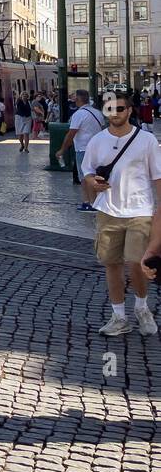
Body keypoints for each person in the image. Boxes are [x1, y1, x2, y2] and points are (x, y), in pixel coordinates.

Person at [83, 92, 161, 337]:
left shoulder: (147, 140)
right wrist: (92, 183)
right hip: (108, 211)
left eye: (120, 108)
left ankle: (141, 307)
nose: (115, 113)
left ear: (129, 111)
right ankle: (119, 316)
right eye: (109, 108)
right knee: (112, 264)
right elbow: (87, 172)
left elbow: (158, 177)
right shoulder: (97, 141)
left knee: (136, 263)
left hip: (140, 211)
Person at [57, 89, 106, 207]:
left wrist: (62, 150)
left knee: (85, 178)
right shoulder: (97, 112)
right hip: (98, 149)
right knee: (95, 176)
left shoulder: (79, 114)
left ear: (78, 99)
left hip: (83, 149)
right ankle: (97, 202)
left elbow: (71, 134)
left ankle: (88, 202)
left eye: (74, 97)